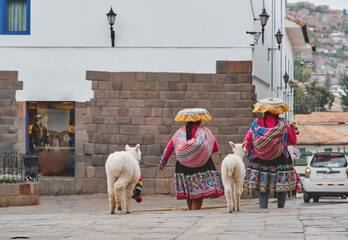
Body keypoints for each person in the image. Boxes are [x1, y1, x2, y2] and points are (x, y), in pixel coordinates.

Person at [159, 108, 224, 210]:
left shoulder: (179, 133)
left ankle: (190, 214)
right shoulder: (205, 132)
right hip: (201, 166)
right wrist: (200, 153)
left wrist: (163, 161)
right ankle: (194, 216)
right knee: (198, 194)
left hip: (183, 167)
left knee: (189, 193)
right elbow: (215, 148)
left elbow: (170, 147)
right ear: (200, 120)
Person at [243, 98, 297, 209]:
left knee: (264, 186)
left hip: (261, 159)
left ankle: (263, 208)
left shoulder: (256, 123)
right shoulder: (284, 124)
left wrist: (253, 152)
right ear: (277, 111)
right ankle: (280, 207)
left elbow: (247, 140)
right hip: (281, 158)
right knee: (281, 186)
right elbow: (293, 140)